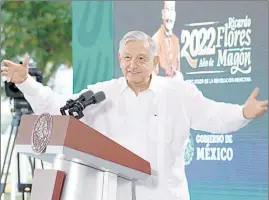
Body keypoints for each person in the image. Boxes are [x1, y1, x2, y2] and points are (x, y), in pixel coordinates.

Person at [1, 31, 268, 200]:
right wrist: (26, 83)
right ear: (119, 59)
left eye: (141, 58)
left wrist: (243, 113)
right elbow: (57, 109)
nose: (133, 65)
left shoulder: (179, 93)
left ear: (154, 62)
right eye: (127, 58)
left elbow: (215, 115)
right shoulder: (101, 95)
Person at [152, 1, 197, 77]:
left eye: (172, 9)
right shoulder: (155, 39)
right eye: (167, 9)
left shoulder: (176, 40)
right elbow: (153, 76)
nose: (169, 15)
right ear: (163, 14)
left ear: (175, 15)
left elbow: (178, 70)